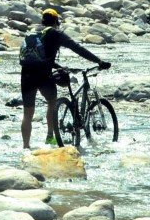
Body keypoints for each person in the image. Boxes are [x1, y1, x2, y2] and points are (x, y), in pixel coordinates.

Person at [21, 8, 110, 149]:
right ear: (56, 21)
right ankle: (50, 137)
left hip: (26, 74)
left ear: (42, 20)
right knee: (52, 102)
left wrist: (57, 65)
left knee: (28, 114)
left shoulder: (32, 33)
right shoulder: (56, 33)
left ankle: (26, 147)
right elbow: (77, 48)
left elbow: (37, 56)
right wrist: (98, 61)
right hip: (44, 75)